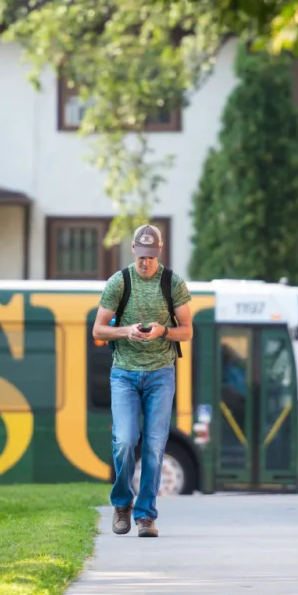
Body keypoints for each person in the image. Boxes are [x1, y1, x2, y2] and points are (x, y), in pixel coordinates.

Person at [92, 223, 193, 538]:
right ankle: (122, 503)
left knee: (153, 444)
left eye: (152, 256)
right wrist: (126, 331)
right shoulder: (118, 283)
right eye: (141, 255)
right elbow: (97, 330)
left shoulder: (173, 284)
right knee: (124, 440)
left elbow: (187, 331)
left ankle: (146, 516)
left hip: (161, 374)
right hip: (123, 373)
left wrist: (164, 331)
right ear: (133, 249)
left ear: (158, 252)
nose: (146, 262)